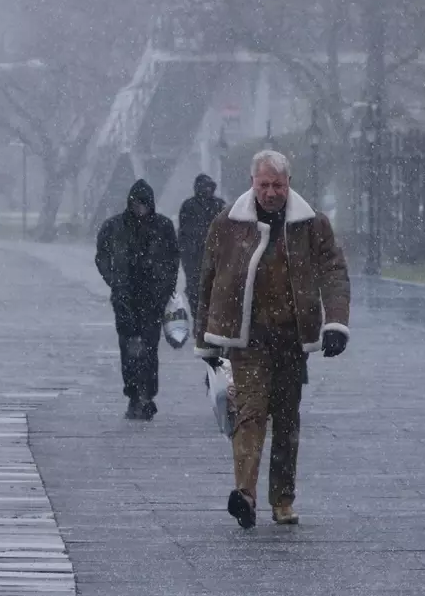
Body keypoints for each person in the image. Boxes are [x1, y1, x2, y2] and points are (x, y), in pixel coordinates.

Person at [194, 150, 350, 528]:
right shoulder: (228, 224)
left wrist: (336, 324)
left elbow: (333, 272)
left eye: (277, 185)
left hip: (291, 339)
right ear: (252, 183)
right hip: (246, 340)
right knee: (248, 415)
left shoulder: (311, 225)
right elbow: (208, 281)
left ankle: (282, 499)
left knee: (286, 420)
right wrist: (206, 341)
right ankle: (245, 495)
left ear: (288, 184)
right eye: (264, 185)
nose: (270, 192)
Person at [95, 179, 180, 421]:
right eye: (136, 203)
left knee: (149, 349)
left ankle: (146, 395)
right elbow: (101, 255)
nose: (140, 208)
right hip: (125, 298)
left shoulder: (162, 226)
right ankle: (134, 394)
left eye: (144, 204)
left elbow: (172, 259)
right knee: (130, 347)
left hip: (152, 298)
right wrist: (114, 279)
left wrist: (166, 288)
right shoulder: (115, 227)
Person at [178, 174, 225, 318]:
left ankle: (212, 320)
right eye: (205, 187)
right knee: (195, 290)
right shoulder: (188, 206)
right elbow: (183, 233)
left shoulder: (219, 204)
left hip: (216, 255)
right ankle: (200, 319)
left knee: (216, 289)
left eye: (209, 187)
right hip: (194, 256)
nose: (207, 190)